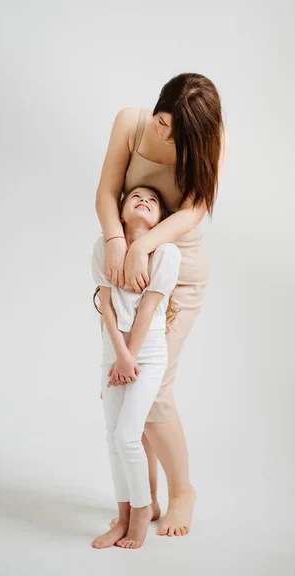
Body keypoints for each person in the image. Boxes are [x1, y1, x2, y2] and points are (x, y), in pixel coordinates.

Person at [94, 73, 229, 537]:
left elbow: (192, 212)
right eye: (161, 121)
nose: (161, 133)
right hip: (129, 270)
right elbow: (107, 192)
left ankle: (183, 490)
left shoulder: (209, 144)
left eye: (172, 132)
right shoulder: (130, 124)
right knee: (129, 384)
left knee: (154, 385)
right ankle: (140, 500)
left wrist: (144, 243)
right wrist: (117, 240)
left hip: (176, 273)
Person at [91, 185, 182, 549]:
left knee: (130, 435)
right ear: (122, 212)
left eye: (154, 201)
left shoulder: (167, 253)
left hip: (148, 352)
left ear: (160, 218)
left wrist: (131, 356)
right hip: (114, 353)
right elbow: (107, 308)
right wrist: (119, 356)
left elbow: (146, 310)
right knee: (113, 437)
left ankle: (143, 511)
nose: (145, 201)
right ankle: (123, 514)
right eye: (136, 198)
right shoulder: (103, 248)